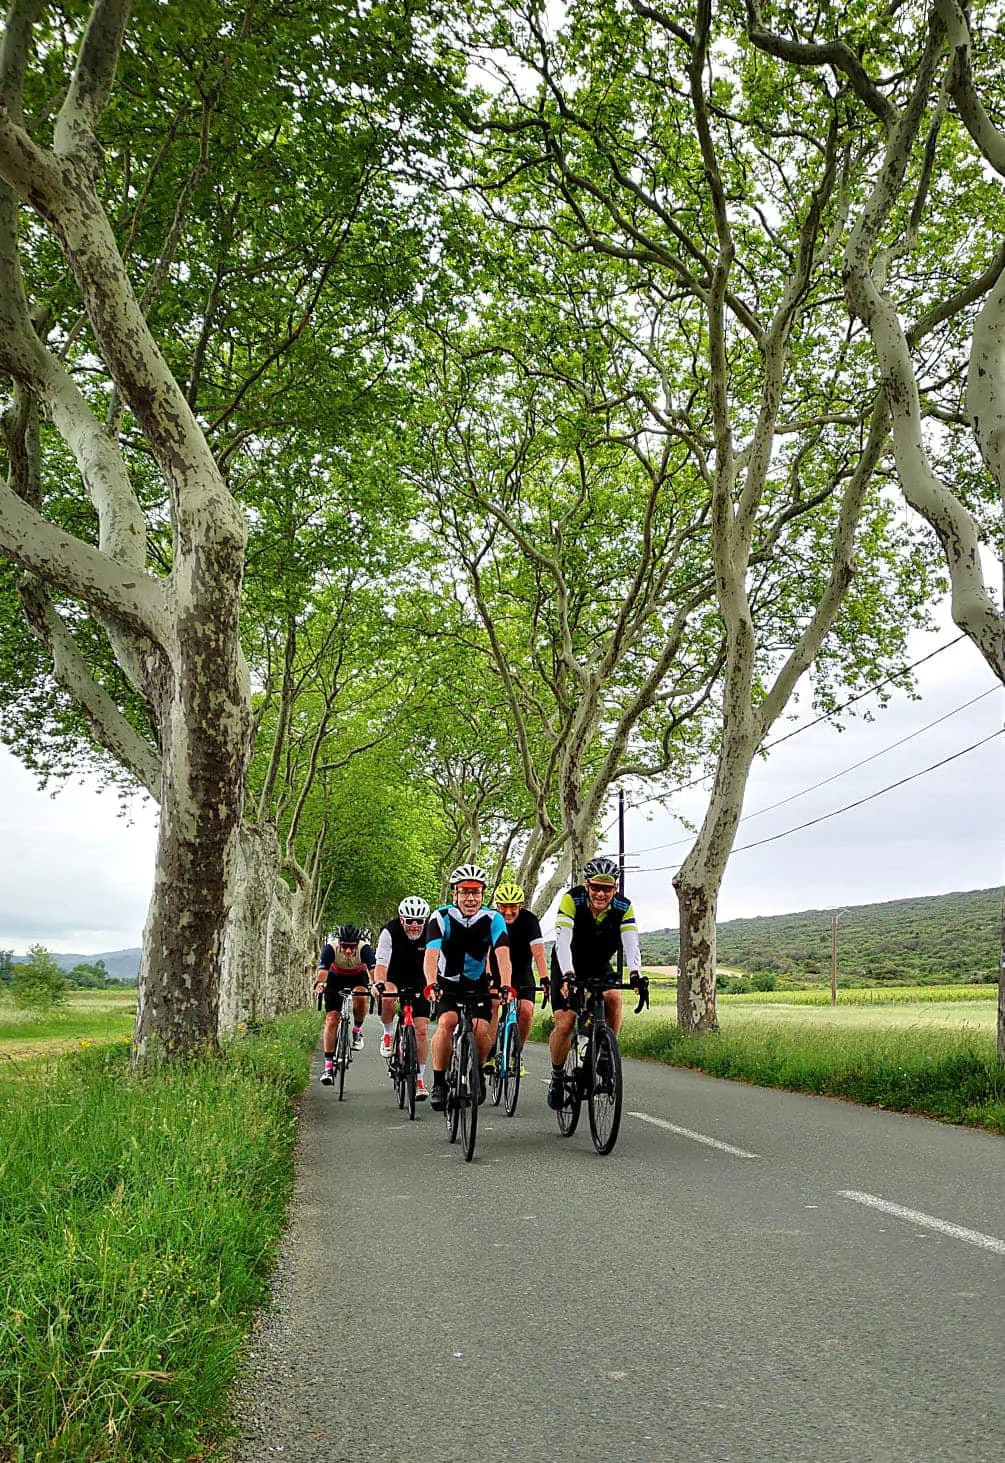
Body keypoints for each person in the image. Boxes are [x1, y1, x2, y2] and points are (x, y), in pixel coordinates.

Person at [547, 856, 642, 1111]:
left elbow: (631, 942)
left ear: (615, 888)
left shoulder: (623, 906)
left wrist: (636, 974)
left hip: (599, 963)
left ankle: (606, 1052)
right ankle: (557, 1077)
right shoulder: (572, 899)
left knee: (614, 997)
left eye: (607, 888)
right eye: (596, 887)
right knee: (565, 1022)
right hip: (568, 961)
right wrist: (568, 974)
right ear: (587, 885)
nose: (601, 893)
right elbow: (562, 941)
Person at [422, 862, 513, 1112]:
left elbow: (503, 955)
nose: (470, 898)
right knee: (447, 1022)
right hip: (447, 983)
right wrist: (431, 983)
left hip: (477, 984)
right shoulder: (440, 917)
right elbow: (431, 954)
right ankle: (439, 1082)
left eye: (476, 892)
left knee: (481, 1030)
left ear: (483, 894)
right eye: (465, 892)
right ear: (455, 893)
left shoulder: (493, 918)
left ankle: (478, 1071)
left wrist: (506, 985)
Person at [372, 895, 432, 1101]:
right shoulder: (389, 932)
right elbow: (381, 962)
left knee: (421, 1031)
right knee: (388, 996)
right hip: (394, 975)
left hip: (420, 978)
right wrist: (379, 983)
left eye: (419, 921)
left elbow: (439, 960)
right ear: (401, 919)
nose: (415, 925)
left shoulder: (432, 932)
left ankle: (420, 1080)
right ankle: (388, 1033)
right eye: (410, 921)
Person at [488, 881, 547, 1070]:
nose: (508, 911)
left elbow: (538, 953)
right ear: (497, 905)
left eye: (513, 906)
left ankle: (516, 1054)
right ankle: (490, 1051)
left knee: (527, 1010)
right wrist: (488, 975)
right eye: (503, 906)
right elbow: (484, 951)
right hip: (496, 971)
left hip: (522, 972)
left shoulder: (530, 921)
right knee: (493, 1005)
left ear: (520, 905)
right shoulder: (491, 919)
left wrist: (544, 978)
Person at [315, 923, 376, 1085]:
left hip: (357, 977)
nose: (348, 951)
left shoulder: (365, 949)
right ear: (339, 942)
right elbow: (323, 973)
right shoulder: (330, 948)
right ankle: (328, 1067)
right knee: (331, 1020)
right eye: (344, 946)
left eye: (352, 946)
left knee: (360, 995)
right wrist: (320, 984)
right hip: (335, 978)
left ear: (358, 943)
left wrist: (376, 985)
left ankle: (357, 1030)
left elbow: (374, 973)